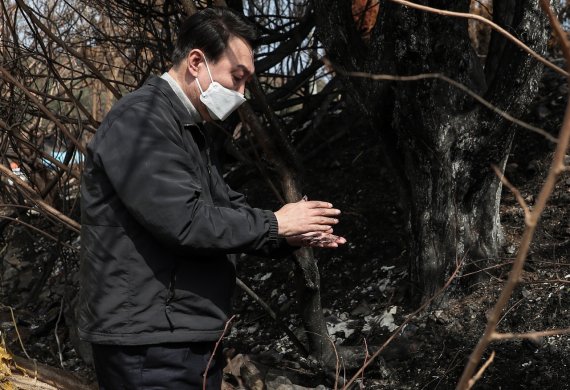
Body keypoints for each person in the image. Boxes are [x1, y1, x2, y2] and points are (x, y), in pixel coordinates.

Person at [78, 7, 346, 390]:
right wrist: (276, 223)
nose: (240, 94)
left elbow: (225, 208)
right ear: (196, 62)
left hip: (179, 334)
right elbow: (184, 221)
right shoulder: (141, 122)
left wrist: (288, 235)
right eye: (237, 78)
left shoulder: (185, 127)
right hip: (149, 343)